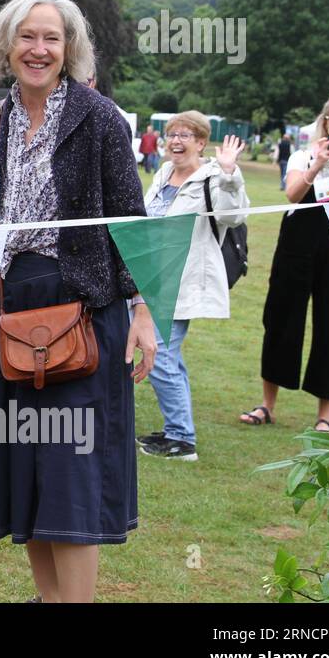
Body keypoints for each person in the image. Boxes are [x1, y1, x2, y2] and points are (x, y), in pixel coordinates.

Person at [0, 0, 154, 604]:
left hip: (82, 306)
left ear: (69, 47)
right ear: (6, 45)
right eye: (27, 36)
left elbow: (129, 222)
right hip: (8, 308)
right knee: (25, 466)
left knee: (71, 471)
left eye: (51, 37)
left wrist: (141, 311)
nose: (38, 48)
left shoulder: (101, 119)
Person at [242, 89, 329, 433]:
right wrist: (318, 164)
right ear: (325, 121)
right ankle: (267, 405)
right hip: (297, 247)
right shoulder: (303, 156)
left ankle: (324, 417)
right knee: (281, 320)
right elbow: (291, 194)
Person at [139, 112, 248, 461]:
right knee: (169, 356)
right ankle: (177, 431)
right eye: (171, 133)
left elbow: (233, 217)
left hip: (182, 282)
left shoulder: (214, 176)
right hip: (153, 277)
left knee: (160, 355)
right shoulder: (162, 174)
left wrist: (230, 173)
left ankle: (182, 440)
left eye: (186, 134)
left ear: (201, 142)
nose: (176, 140)